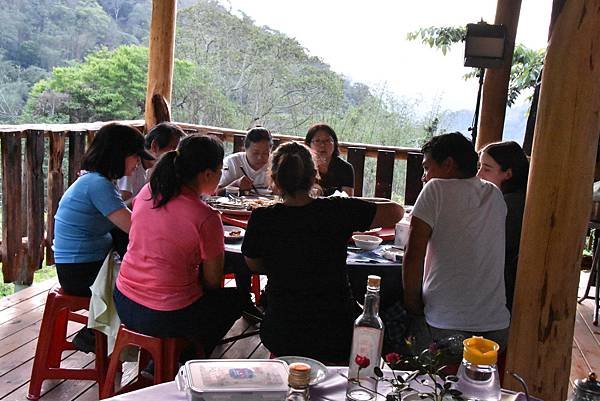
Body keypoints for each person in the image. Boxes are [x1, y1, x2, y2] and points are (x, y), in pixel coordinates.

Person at [242, 142, 404, 362]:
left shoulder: (262, 218)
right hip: (336, 329)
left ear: (275, 180)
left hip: (282, 329)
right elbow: (396, 211)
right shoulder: (336, 210)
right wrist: (355, 203)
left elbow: (253, 264)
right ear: (313, 177)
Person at [114, 135, 243, 357]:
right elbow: (212, 281)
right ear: (207, 174)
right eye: (220, 170)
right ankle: (184, 359)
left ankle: (160, 360)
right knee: (236, 299)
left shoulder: (148, 191)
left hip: (124, 300)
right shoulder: (206, 217)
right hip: (165, 314)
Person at [402, 132, 510, 353]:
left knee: (421, 378)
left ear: (449, 164)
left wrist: (414, 308)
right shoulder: (494, 194)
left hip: (445, 326)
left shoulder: (435, 190)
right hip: (496, 329)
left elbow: (413, 256)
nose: (424, 176)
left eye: (426, 168)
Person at [53, 122, 154, 351]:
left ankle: (98, 328)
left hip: (79, 266)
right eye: (134, 156)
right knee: (141, 285)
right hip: (79, 273)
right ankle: (97, 332)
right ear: (118, 155)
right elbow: (135, 228)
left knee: (127, 250)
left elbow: (124, 220)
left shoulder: (93, 180)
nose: (137, 163)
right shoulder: (98, 185)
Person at [477, 141, 529, 313]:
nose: (479, 175)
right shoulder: (505, 200)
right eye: (479, 167)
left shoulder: (511, 205)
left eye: (486, 169)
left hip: (502, 291)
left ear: (508, 174)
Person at [117, 122, 184, 203]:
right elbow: (121, 205)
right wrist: (149, 194)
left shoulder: (153, 167)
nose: (175, 156)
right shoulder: (131, 167)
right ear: (154, 146)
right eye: (172, 149)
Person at [217, 126, 272, 194]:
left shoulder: (274, 164)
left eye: (265, 153)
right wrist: (236, 184)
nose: (260, 157)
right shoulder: (232, 162)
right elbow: (216, 193)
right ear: (245, 149)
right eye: (255, 153)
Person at [304, 123, 355, 196]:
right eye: (317, 141)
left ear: (335, 143)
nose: (322, 145)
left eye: (327, 141)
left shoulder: (345, 168)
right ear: (309, 144)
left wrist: (321, 192)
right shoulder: (303, 166)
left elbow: (347, 198)